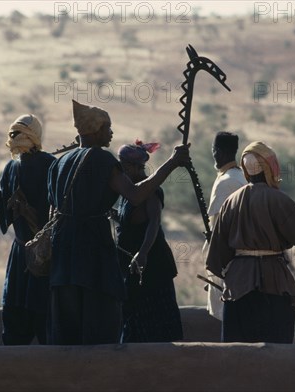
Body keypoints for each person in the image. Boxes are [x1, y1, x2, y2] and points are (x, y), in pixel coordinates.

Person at [46, 100, 190, 345]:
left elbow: (53, 211)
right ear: (94, 130)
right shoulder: (102, 159)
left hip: (62, 256)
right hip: (93, 253)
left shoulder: (58, 163)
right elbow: (135, 194)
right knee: (99, 326)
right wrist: (173, 163)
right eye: (107, 127)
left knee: (67, 331)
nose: (111, 132)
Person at [205, 141, 295, 343]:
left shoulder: (231, 201)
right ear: (270, 167)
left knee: (236, 355)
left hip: (238, 286)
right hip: (274, 282)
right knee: (276, 353)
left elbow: (217, 256)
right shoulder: (278, 199)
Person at [0, 114, 55, 345]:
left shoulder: (45, 165)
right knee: (26, 312)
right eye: (14, 133)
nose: (15, 138)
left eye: (18, 133)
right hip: (29, 254)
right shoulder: (24, 166)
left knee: (36, 313)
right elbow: (8, 206)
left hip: (38, 254)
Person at [116, 140, 183, 343]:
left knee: (155, 317)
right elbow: (131, 221)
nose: (120, 170)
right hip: (133, 266)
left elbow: (154, 222)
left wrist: (143, 252)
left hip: (151, 266)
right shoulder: (130, 191)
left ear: (133, 167)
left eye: (123, 166)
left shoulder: (149, 191)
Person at [204, 131, 247, 321]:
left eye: (214, 150)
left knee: (228, 319)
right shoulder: (240, 176)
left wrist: (214, 266)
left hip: (227, 261)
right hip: (239, 261)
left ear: (218, 152)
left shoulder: (227, 182)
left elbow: (219, 231)